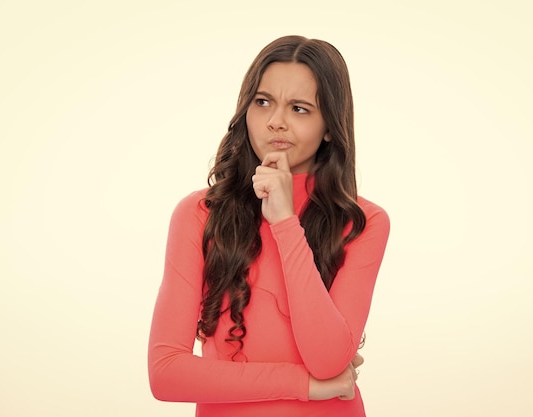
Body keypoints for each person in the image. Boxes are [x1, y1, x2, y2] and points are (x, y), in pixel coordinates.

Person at [148, 35, 390, 417]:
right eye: (263, 102)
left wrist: (284, 222)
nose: (276, 121)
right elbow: (165, 375)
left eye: (299, 108)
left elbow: (328, 359)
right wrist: (305, 386)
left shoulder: (364, 222)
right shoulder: (199, 214)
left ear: (330, 126)